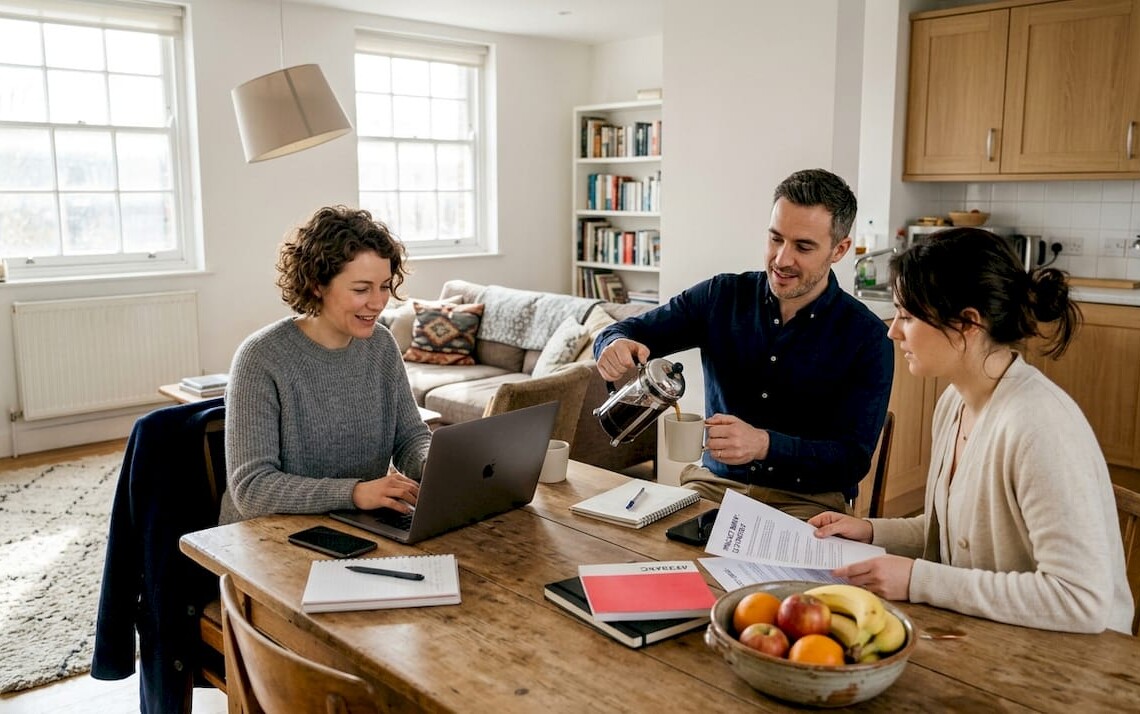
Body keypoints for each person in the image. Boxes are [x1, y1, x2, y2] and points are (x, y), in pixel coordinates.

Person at [809, 228, 1134, 634]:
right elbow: (955, 532)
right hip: (992, 635)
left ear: (967, 324)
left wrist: (916, 580)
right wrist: (872, 531)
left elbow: (1080, 600)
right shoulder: (954, 403)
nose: (893, 331)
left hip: (1076, 666)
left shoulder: (1038, 427)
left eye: (908, 317)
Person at [594, 168, 893, 519]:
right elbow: (625, 331)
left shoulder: (868, 338)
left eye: (803, 246)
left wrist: (764, 445)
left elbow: (851, 460)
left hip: (807, 504)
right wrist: (612, 345)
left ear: (839, 249)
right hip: (712, 487)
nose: (781, 259)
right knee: (648, 559)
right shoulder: (721, 296)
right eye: (776, 239)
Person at [219, 206, 430, 525]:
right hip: (266, 535)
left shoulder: (381, 345)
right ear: (318, 285)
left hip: (356, 523)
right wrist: (356, 493)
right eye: (361, 289)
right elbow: (252, 489)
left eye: (385, 286)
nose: (378, 302)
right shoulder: (261, 357)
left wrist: (438, 467)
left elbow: (410, 437)